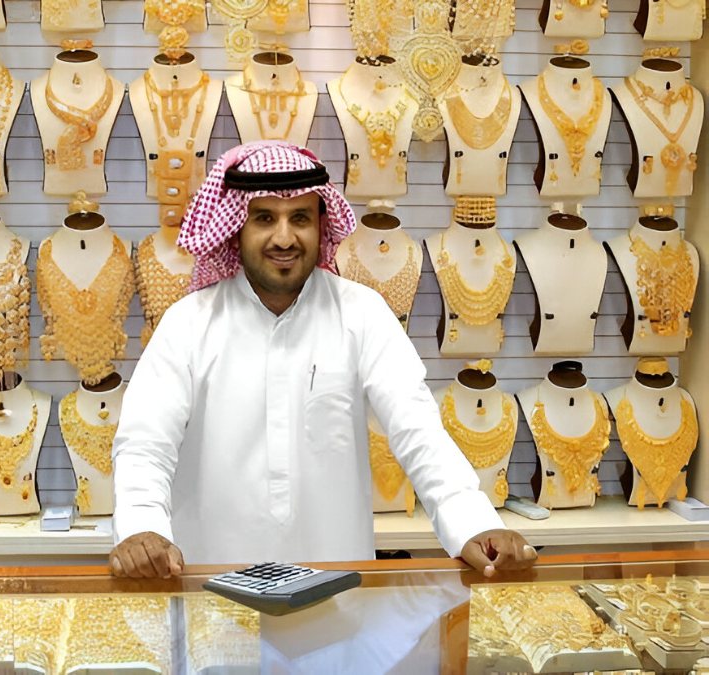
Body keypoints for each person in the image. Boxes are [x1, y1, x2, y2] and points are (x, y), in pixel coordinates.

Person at [110, 141, 536, 579]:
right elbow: (145, 443)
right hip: (215, 593)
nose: (283, 238)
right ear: (236, 227)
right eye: (264, 218)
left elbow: (418, 430)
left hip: (336, 596)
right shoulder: (189, 323)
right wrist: (142, 527)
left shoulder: (362, 314)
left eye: (300, 218)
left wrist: (474, 523)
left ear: (321, 224)